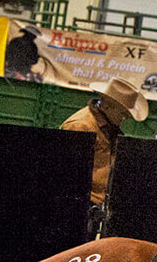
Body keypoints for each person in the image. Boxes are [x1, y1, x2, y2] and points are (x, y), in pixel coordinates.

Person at [60, 77, 148, 208]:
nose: (127, 117)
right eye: (123, 114)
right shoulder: (80, 126)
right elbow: (66, 176)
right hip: (81, 205)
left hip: (96, 203)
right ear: (107, 105)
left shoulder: (106, 126)